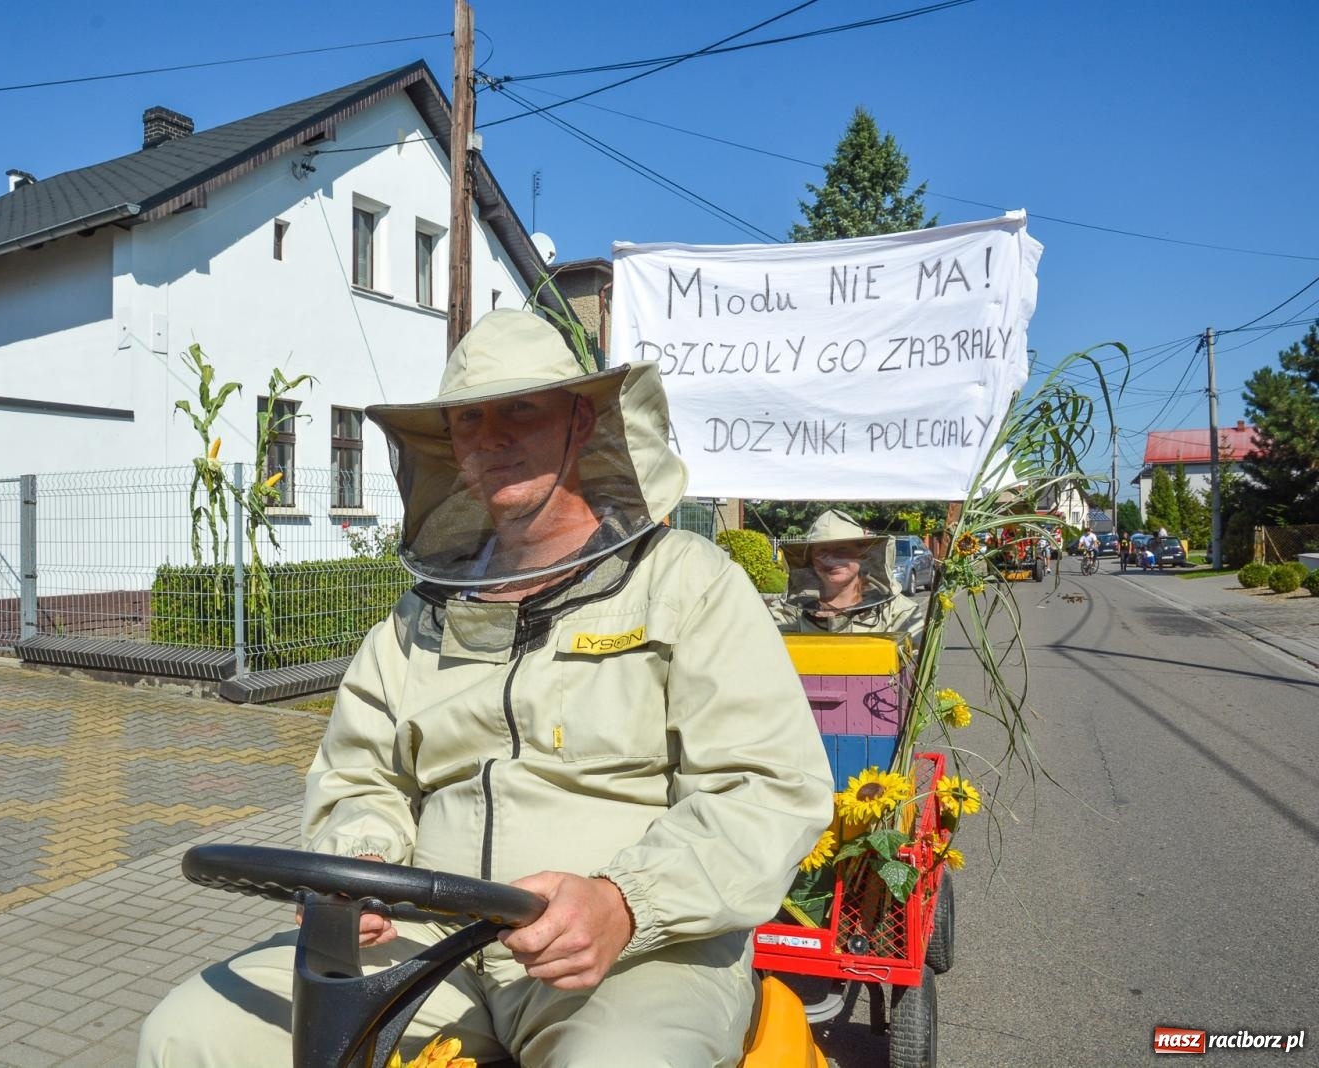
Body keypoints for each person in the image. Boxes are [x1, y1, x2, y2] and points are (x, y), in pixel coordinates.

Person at [138, 309, 835, 1068]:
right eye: (470, 418)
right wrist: (363, 857)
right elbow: (362, 776)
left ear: (580, 423)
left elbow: (767, 789)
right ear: (451, 446)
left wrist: (627, 901)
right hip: (430, 935)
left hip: (636, 953)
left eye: (521, 409)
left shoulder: (689, 584)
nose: (492, 436)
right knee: (191, 1035)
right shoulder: (414, 622)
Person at [770, 510, 926, 640]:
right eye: (822, 551)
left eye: (842, 550)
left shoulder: (899, 611)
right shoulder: (788, 611)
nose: (831, 560)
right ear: (811, 559)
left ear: (862, 555)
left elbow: (911, 669)